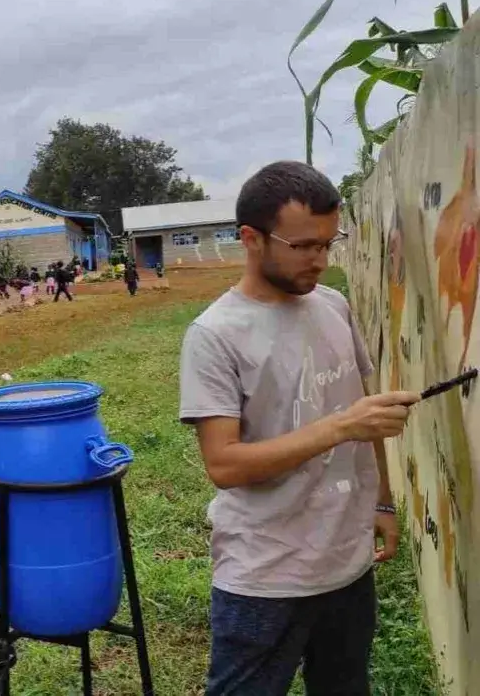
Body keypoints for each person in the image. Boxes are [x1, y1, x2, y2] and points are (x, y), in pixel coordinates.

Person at [178, 161, 420, 696]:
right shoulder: (215, 336)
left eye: (328, 244)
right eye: (303, 245)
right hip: (265, 577)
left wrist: (381, 502)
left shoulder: (332, 305)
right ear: (250, 238)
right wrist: (340, 427)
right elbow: (225, 464)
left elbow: (365, 412)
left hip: (346, 565)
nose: (320, 259)